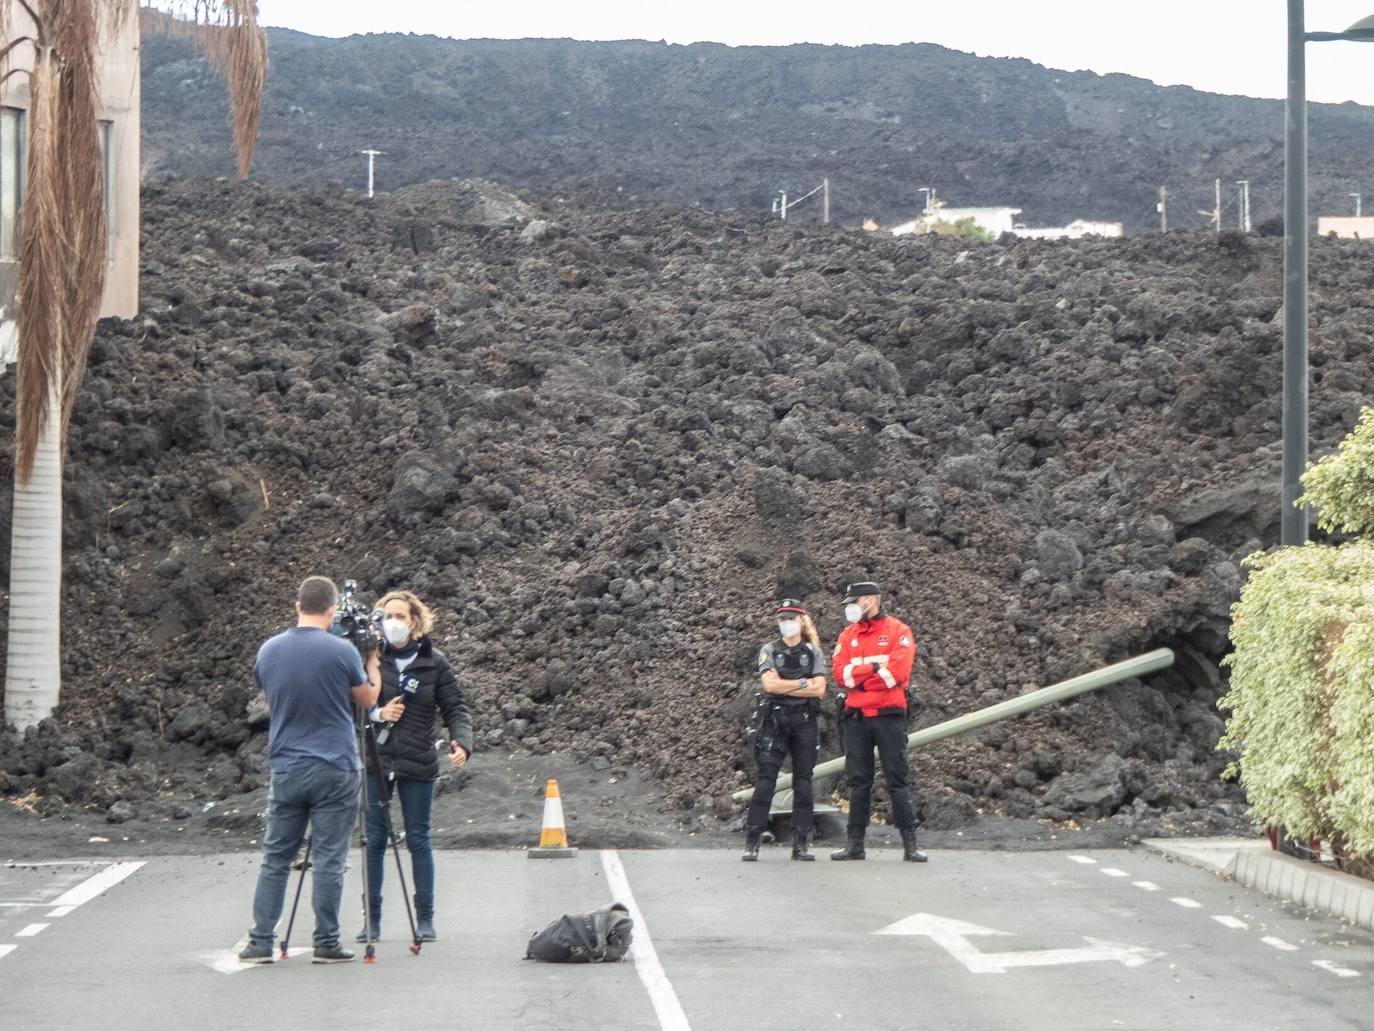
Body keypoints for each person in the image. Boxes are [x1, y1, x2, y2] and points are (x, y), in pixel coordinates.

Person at [240, 577, 381, 964]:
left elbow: (266, 688)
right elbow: (367, 698)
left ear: (297, 604)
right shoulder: (340, 651)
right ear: (332, 610)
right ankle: (326, 941)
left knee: (275, 858)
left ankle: (260, 941)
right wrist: (372, 661)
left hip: (287, 765)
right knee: (329, 858)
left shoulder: (269, 650)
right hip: (335, 765)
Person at [359, 589, 473, 943]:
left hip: (419, 759)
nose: (393, 623)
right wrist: (379, 713)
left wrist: (462, 742)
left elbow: (455, 707)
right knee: (374, 839)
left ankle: (425, 918)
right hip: (376, 760)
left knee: (419, 838)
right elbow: (353, 706)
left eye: (400, 617)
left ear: (415, 622)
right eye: (387, 616)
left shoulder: (434, 662)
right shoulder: (370, 660)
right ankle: (372, 921)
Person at [830, 581, 926, 863]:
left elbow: (897, 671)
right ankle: (855, 844)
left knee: (897, 778)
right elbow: (841, 676)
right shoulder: (847, 636)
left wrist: (861, 680)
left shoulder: (898, 631)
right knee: (858, 781)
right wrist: (873, 670)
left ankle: (910, 844)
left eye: (854, 602)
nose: (850, 609)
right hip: (856, 718)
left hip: (888, 716)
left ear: (870, 601)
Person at [742, 599, 827, 862]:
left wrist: (786, 684)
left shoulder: (813, 652)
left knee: (804, 781)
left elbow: (820, 689)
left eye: (790, 618)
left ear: (801, 620)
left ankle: (800, 843)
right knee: (766, 780)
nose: (785, 623)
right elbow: (769, 686)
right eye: (781, 619)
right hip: (775, 721)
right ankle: (752, 842)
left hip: (804, 721)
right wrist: (803, 683)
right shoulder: (769, 649)